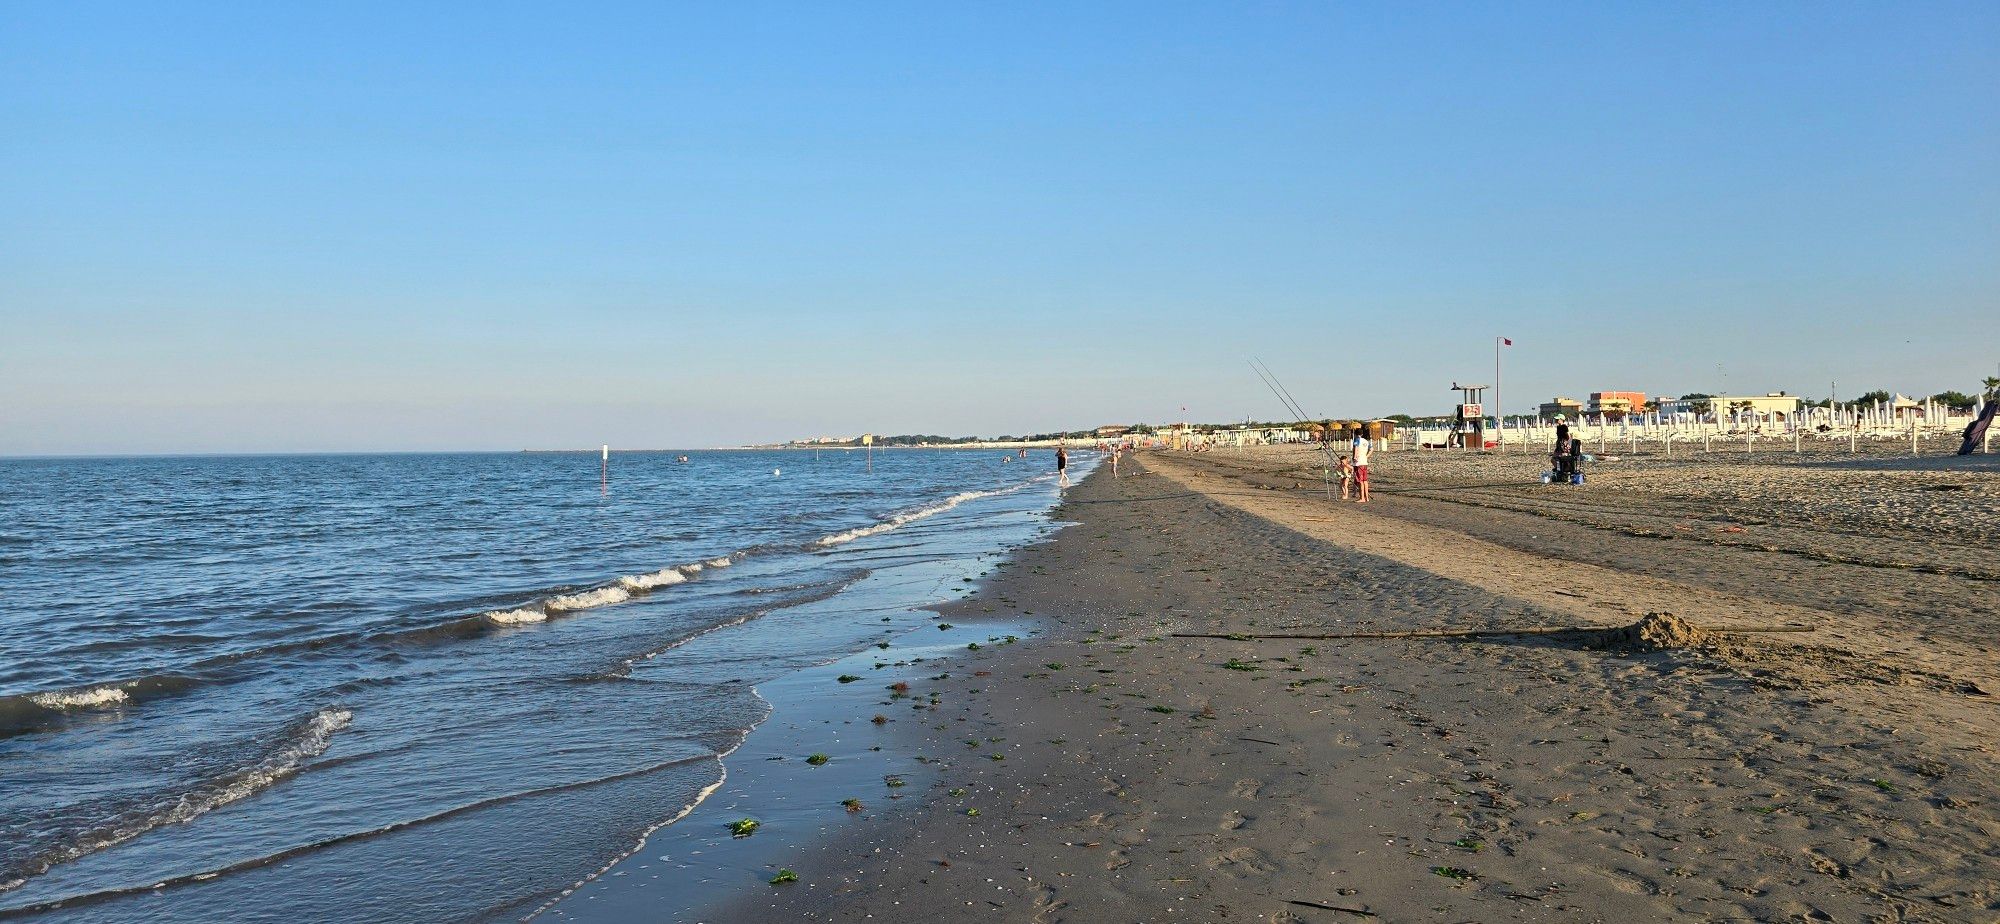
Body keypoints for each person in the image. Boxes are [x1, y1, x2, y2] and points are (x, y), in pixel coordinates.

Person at [1351, 434, 1371, 502]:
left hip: (1358, 463)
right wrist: (1366, 456)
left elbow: (1356, 447)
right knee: (1365, 481)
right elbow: (1371, 449)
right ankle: (1367, 498)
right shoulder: (1366, 441)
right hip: (1364, 462)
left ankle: (1362, 498)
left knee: (1360, 481)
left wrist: (1355, 457)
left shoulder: (1357, 439)